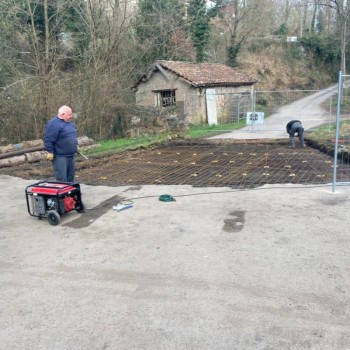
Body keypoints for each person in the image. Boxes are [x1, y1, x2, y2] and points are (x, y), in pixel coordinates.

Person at [44, 105, 78, 182]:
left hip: (70, 156)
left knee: (70, 177)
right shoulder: (53, 124)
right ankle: (63, 194)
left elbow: (72, 135)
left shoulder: (69, 123)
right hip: (60, 157)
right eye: (69, 114)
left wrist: (76, 145)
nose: (71, 116)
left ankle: (70, 193)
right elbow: (48, 140)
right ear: (62, 114)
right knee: (62, 179)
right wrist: (50, 152)